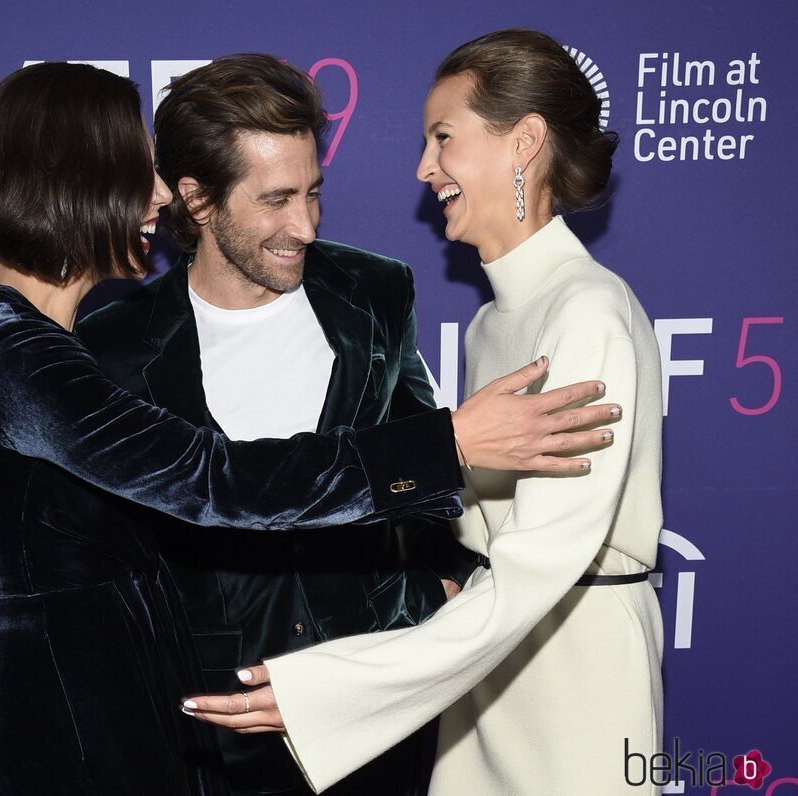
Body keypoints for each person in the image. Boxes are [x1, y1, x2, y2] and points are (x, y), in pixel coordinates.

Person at [0, 55, 619, 795]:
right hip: (189, 727)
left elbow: (31, 521)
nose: (306, 224)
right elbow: (211, 482)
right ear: (199, 199)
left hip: (364, 704)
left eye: (313, 192)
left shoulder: (372, 293)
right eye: (277, 198)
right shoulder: (69, 350)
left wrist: (437, 589)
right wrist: (451, 442)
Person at [186, 30, 665, 796]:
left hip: (573, 678)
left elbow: (536, 565)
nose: (423, 168)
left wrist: (332, 685)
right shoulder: (489, 325)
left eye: (443, 138)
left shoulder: (591, 314)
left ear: (525, 142)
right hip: (482, 670)